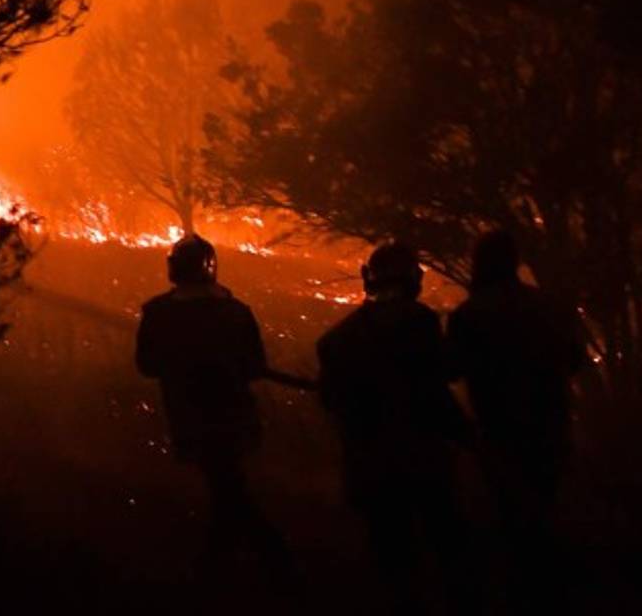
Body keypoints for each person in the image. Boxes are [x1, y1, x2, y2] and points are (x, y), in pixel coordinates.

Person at [317, 242, 474, 614]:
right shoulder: (419, 322)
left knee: (393, 558)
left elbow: (330, 400)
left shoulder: (337, 339)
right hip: (421, 458)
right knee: (447, 546)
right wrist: (467, 435)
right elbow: (435, 386)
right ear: (413, 280)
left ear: (368, 278)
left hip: (369, 464)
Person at [446, 230, 585, 606]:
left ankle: (515, 594)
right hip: (549, 428)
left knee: (506, 519)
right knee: (540, 513)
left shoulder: (469, 315)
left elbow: (450, 368)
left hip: (498, 431)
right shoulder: (550, 307)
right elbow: (575, 361)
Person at [135, 234, 289, 565]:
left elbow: (146, 365)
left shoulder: (158, 313)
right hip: (235, 417)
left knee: (226, 489)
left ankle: (258, 561)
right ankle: (257, 562)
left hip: (189, 417)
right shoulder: (235, 311)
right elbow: (254, 366)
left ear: (174, 269)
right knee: (228, 487)